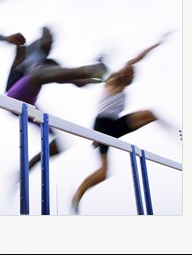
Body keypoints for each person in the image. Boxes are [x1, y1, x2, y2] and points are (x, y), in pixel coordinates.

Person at [71, 31, 176, 214]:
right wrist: (157, 44)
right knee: (103, 172)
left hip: (115, 124)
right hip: (103, 124)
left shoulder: (125, 87)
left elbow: (135, 64)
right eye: (129, 73)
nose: (130, 76)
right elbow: (136, 58)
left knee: (151, 114)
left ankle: (177, 132)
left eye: (131, 76)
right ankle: (77, 195)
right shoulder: (115, 79)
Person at [0, 27, 107, 171]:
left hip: (29, 105)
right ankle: (87, 69)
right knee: (38, 74)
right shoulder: (27, 54)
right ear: (40, 40)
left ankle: (30, 165)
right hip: (13, 97)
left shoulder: (51, 63)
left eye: (52, 41)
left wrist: (98, 79)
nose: (50, 43)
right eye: (47, 38)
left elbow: (77, 82)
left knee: (58, 145)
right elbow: (0, 38)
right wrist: (8, 39)